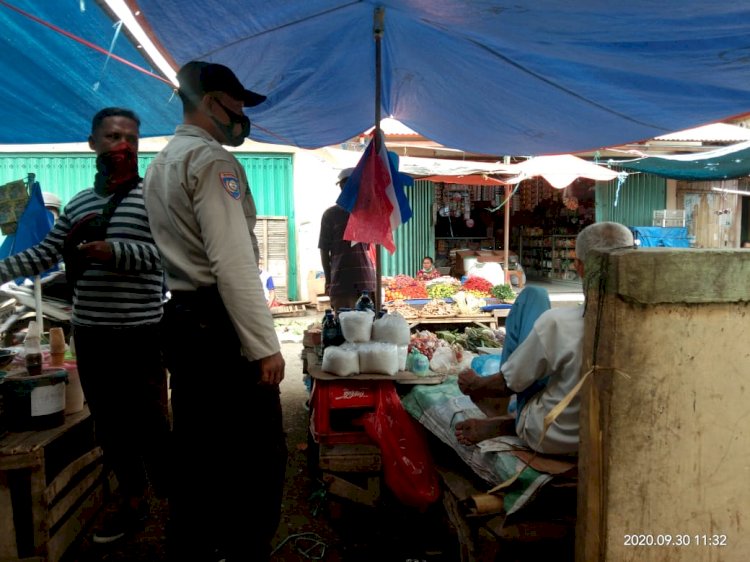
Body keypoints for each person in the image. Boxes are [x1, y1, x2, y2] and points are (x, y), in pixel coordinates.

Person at [0, 107, 170, 543]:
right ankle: (131, 501)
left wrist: (115, 253)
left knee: (152, 424)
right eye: (113, 136)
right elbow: (43, 255)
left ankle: (178, 507)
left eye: (131, 138)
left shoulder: (154, 198)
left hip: (141, 334)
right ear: (93, 143)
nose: (123, 145)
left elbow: (171, 259)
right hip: (92, 335)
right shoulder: (78, 203)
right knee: (111, 425)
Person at [143, 60, 287, 562]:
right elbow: (232, 262)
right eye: (238, 104)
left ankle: (196, 544)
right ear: (209, 102)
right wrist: (264, 345)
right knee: (253, 457)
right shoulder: (212, 162)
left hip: (183, 320)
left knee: (199, 448)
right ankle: (243, 549)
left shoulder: (163, 163)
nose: (242, 115)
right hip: (217, 325)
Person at [455, 222, 634, 455]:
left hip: (554, 437)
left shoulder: (559, 324)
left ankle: (513, 421)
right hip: (617, 439)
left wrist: (475, 385)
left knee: (533, 295)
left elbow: (509, 384)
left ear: (579, 268)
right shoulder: (648, 327)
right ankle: (512, 415)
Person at [318, 167, 376, 310]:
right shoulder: (331, 215)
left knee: (355, 327)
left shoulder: (366, 212)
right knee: (352, 327)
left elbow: (324, 251)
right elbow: (324, 250)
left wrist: (329, 281)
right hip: (345, 282)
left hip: (361, 282)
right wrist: (329, 281)